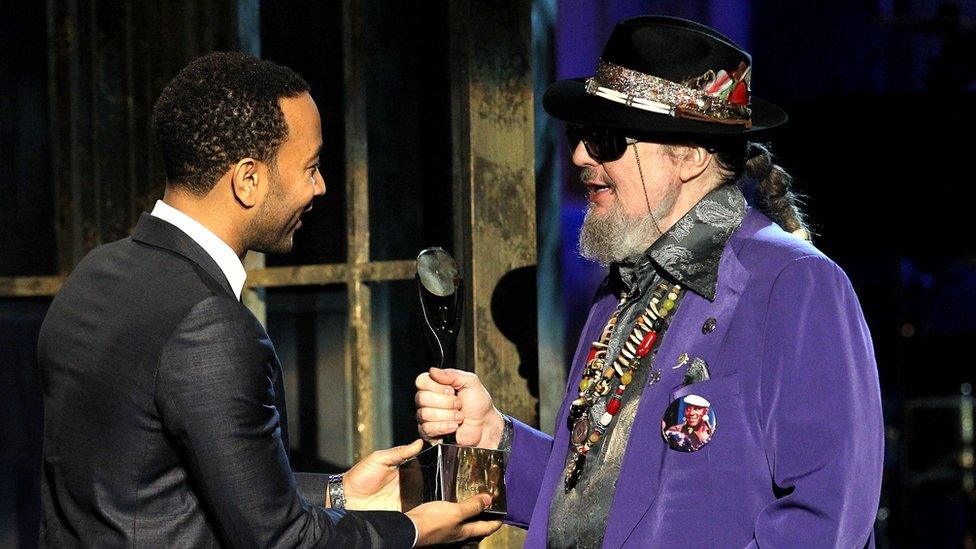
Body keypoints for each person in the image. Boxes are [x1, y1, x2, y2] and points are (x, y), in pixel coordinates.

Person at [416, 16, 883, 548]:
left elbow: (827, 518)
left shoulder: (794, 283)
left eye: (607, 138)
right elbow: (604, 498)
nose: (579, 156)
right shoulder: (620, 293)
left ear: (688, 156)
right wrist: (497, 438)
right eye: (581, 135)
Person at [37, 52, 500, 548]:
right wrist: (413, 530)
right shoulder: (211, 325)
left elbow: (166, 481)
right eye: (311, 167)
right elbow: (282, 541)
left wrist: (339, 492)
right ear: (248, 179)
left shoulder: (95, 274)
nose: (320, 187)